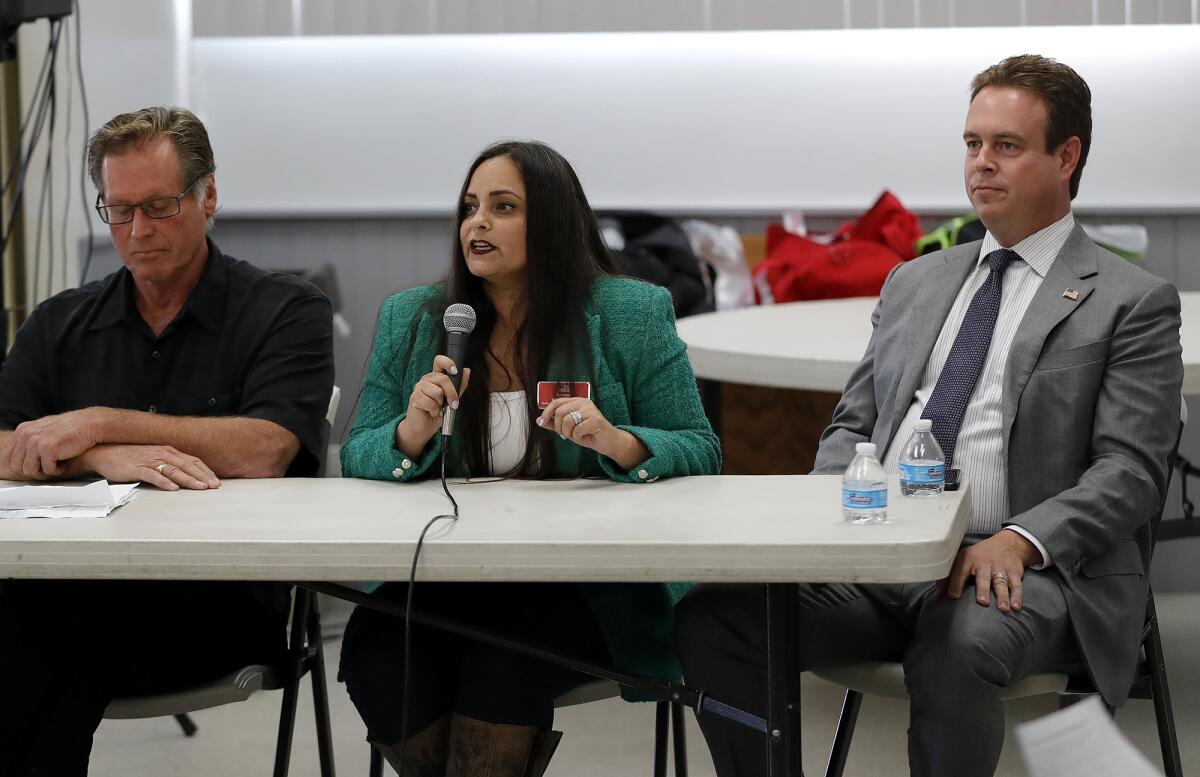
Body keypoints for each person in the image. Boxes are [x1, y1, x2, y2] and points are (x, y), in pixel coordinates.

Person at [674, 54, 1183, 777]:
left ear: (1067, 157)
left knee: (958, 639)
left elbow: (1131, 470)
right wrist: (833, 521)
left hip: (1029, 571)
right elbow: (852, 427)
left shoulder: (1129, 299)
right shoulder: (916, 280)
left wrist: (1017, 539)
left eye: (1007, 146)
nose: (982, 164)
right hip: (885, 558)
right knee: (715, 617)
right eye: (973, 144)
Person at [338, 140, 721, 776]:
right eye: (469, 208)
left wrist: (618, 442)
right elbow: (357, 454)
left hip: (582, 580)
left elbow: (700, 447)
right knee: (378, 651)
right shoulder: (415, 318)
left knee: (501, 658)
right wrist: (410, 432)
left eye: (503, 207)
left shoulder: (628, 311)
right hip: (444, 575)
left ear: (550, 222)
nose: (477, 224)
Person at [0, 106, 334, 776]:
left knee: (31, 647)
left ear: (209, 194)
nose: (136, 230)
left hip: (218, 604)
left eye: (158, 205)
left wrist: (101, 421)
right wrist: (96, 456)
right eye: (118, 210)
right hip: (71, 588)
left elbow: (267, 447)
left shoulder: (284, 310)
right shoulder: (60, 322)